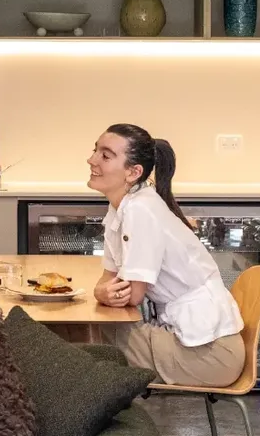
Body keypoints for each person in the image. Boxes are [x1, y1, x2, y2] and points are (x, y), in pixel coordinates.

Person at [88, 123, 245, 387]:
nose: (91, 160)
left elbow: (130, 294)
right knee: (80, 336)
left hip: (210, 354)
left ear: (133, 172)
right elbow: (109, 279)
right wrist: (101, 292)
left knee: (78, 343)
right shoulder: (121, 208)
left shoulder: (141, 210)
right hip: (194, 341)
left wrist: (102, 293)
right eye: (95, 151)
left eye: (105, 155)